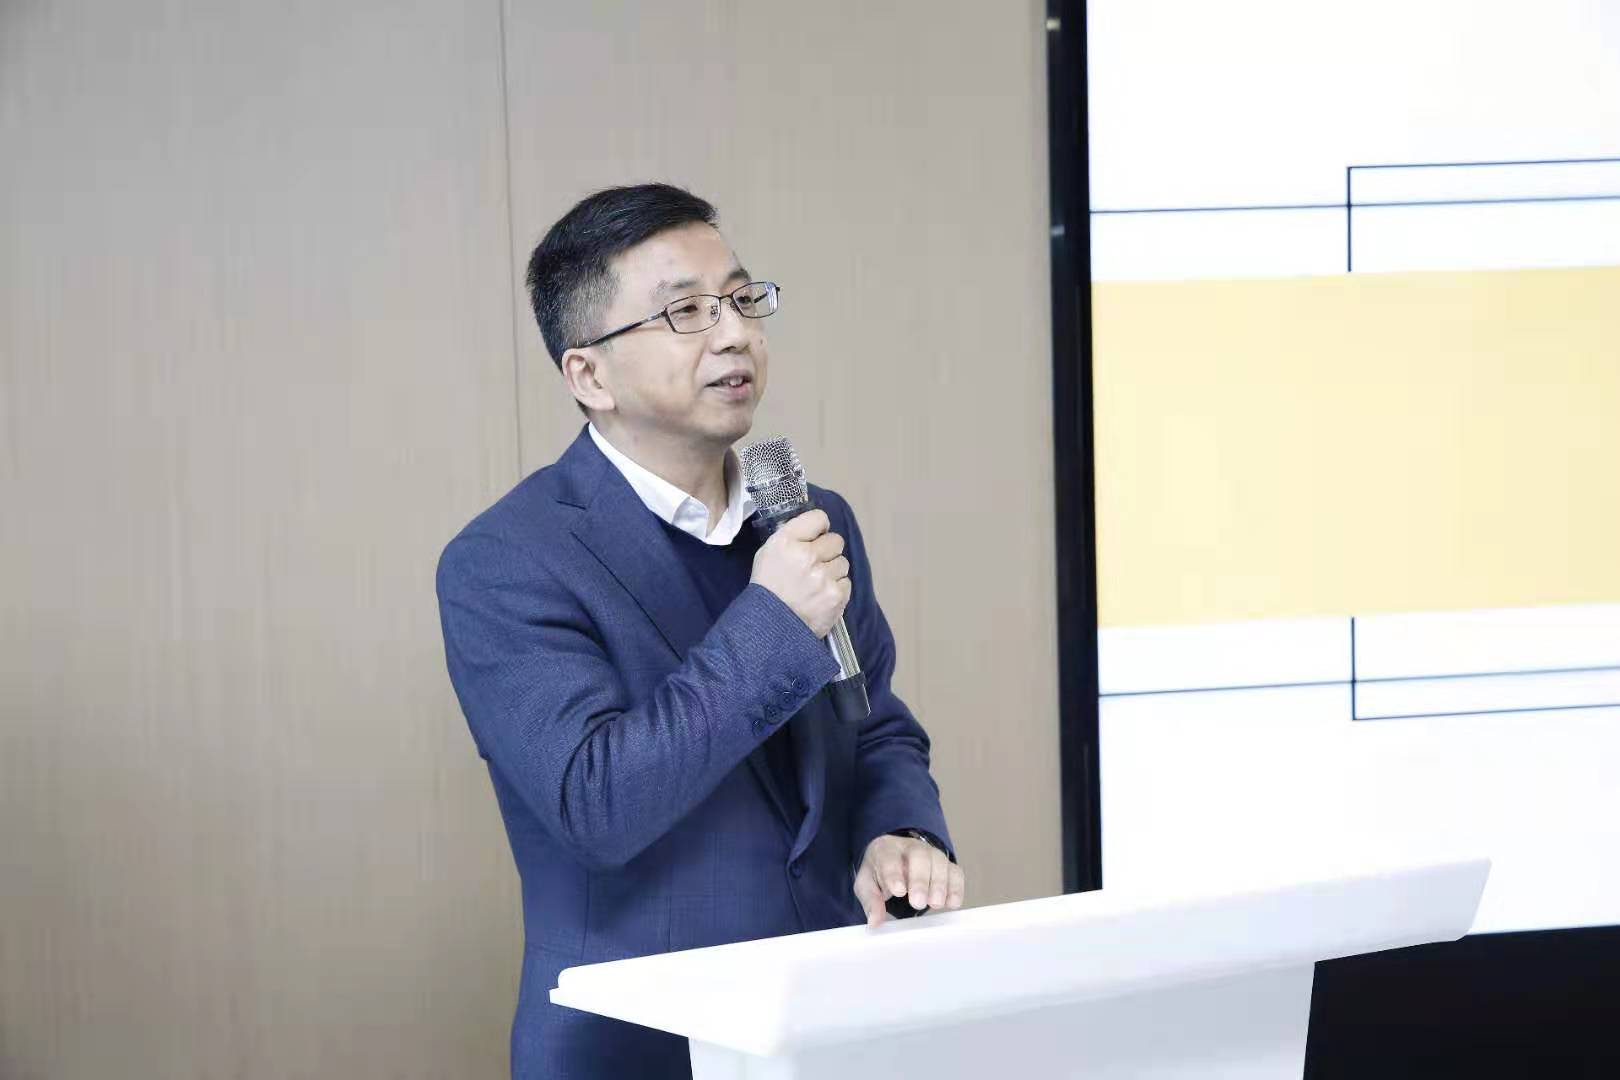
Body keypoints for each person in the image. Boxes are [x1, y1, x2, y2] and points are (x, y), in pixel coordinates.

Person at [435, 182, 964, 1078]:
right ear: (589, 376)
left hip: (829, 1027)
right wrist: (772, 622)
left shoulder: (806, 518)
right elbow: (596, 803)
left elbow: (872, 723)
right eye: (685, 312)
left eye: (742, 299)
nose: (733, 335)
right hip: (636, 1047)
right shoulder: (506, 562)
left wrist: (900, 831)